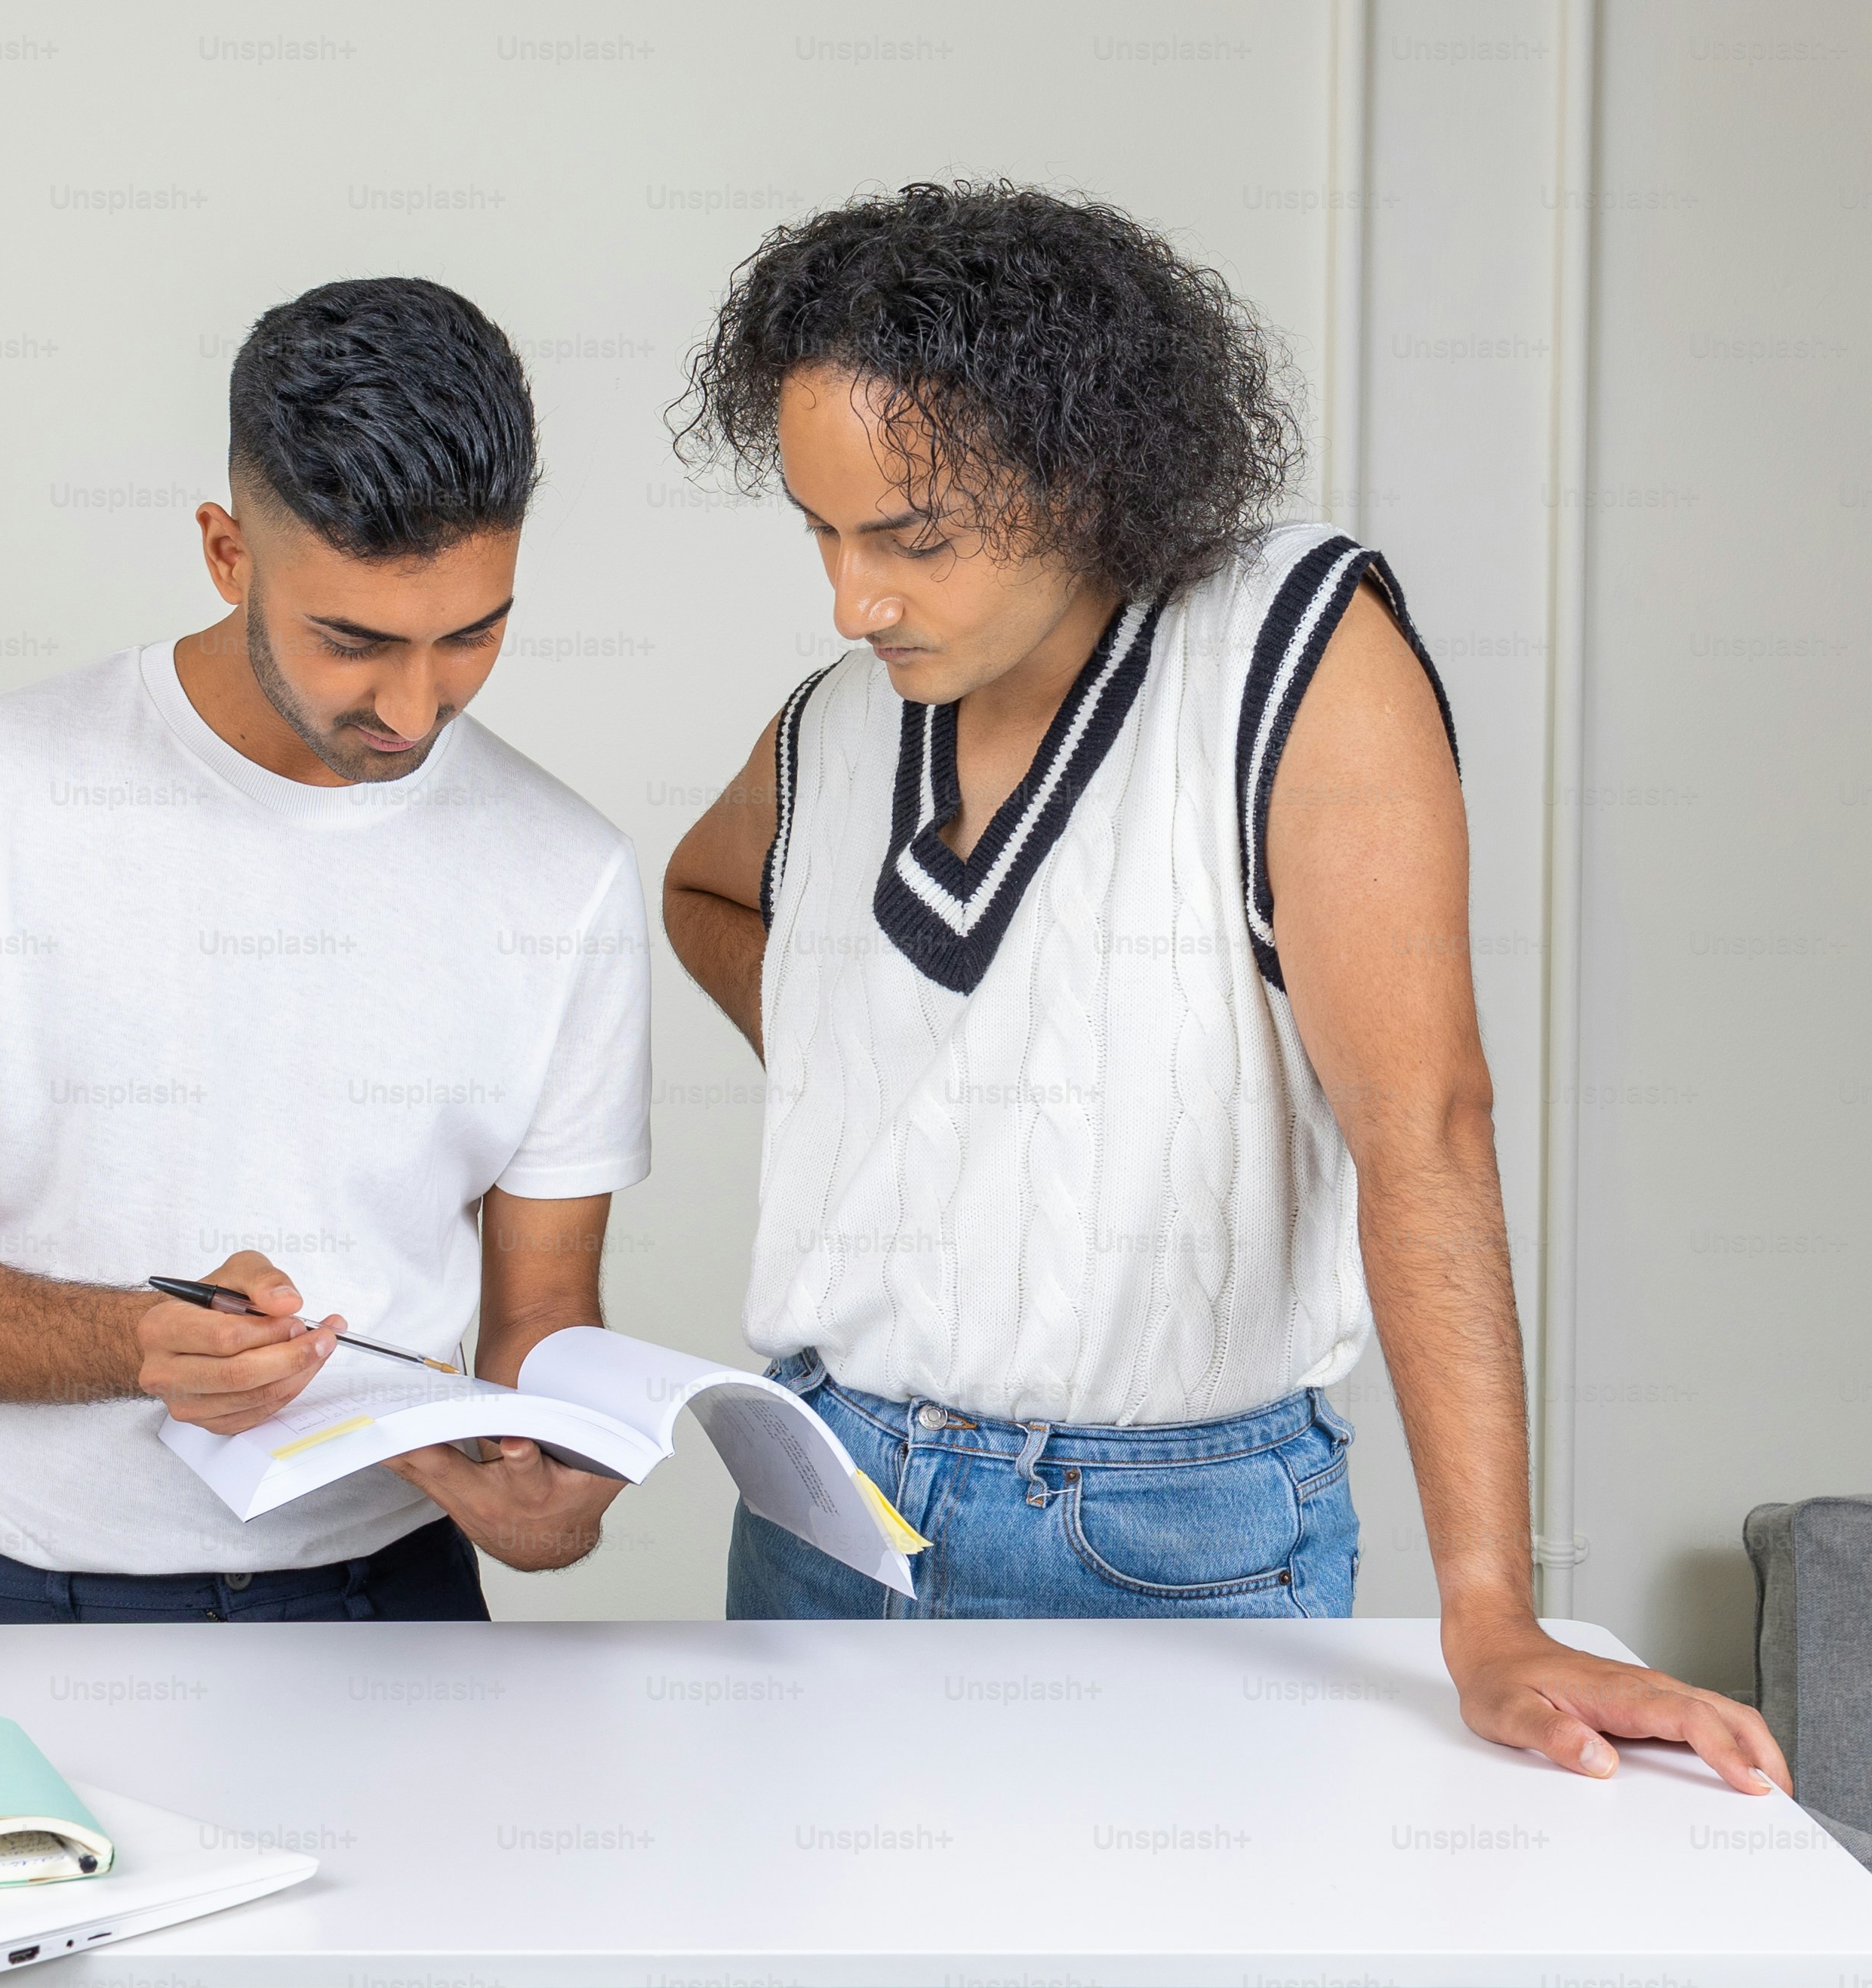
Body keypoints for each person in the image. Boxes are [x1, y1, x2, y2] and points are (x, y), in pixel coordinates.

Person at [662, 183, 1790, 1794]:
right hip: (824, 1494)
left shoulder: (1289, 648)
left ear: (1078, 473)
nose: (855, 600)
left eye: (909, 538)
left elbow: (1428, 1127)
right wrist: (906, 1106)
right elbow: (701, 893)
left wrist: (1491, 1610)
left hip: (1155, 1534)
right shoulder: (842, 719)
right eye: (822, 534)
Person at [0, 278, 642, 1624]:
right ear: (225, 552)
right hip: (17, 1606)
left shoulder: (568, 872)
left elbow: (540, 1312)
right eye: (353, 640)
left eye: (472, 634)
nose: (413, 705)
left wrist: (544, 1485)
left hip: (392, 1605)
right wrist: (140, 1345)